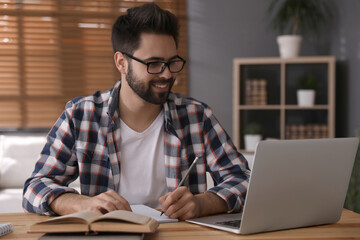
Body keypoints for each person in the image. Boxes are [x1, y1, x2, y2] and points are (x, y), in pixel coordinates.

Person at [22, 3, 250, 220]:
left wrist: (203, 203)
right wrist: (81, 204)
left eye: (172, 62)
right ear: (121, 62)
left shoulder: (197, 117)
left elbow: (243, 180)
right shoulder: (80, 116)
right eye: (154, 63)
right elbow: (35, 187)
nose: (167, 74)